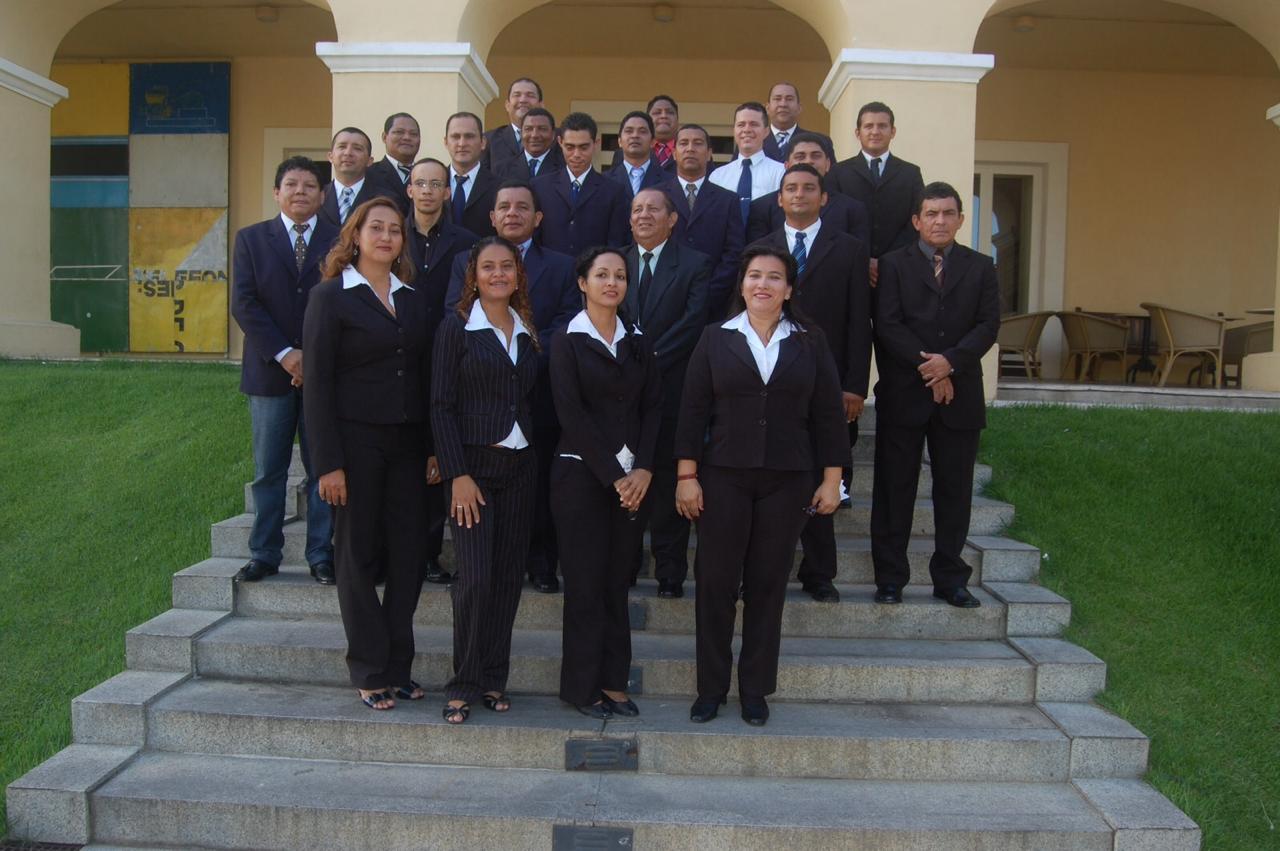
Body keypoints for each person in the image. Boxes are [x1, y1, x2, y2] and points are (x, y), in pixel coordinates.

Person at [674, 244, 849, 726]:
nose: (763, 285)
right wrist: (686, 476)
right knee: (714, 583)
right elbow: (690, 413)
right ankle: (710, 688)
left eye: (774, 277)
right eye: (754, 276)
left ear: (789, 289)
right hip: (723, 476)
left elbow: (829, 415)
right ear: (742, 284)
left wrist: (832, 478)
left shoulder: (811, 341)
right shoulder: (715, 338)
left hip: (787, 480)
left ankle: (754, 689)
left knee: (769, 585)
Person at [302, 197, 433, 711]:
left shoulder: (414, 299)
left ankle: (399, 665)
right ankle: (369, 666)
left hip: (407, 446)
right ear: (355, 236)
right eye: (375, 228)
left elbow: (422, 379)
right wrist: (326, 463)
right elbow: (317, 385)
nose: (385, 237)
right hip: (354, 445)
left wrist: (431, 449)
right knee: (355, 555)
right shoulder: (329, 298)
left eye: (395, 230)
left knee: (409, 557)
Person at [870, 182, 1000, 609]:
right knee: (894, 490)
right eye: (931, 213)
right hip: (904, 395)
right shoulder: (892, 265)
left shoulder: (982, 267)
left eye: (948, 213)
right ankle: (890, 579)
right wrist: (931, 367)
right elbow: (886, 324)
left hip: (959, 397)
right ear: (916, 220)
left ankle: (950, 579)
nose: (939, 221)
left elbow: (987, 325)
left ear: (961, 219)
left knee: (954, 491)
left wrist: (952, 363)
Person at [446, 182, 579, 594]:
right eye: (504, 206)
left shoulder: (561, 265)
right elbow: (458, 313)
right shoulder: (464, 262)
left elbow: (567, 321)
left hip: (539, 392)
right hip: (480, 398)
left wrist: (527, 355)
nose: (513, 213)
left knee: (536, 488)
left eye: (523, 207)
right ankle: (473, 565)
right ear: (492, 217)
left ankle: (539, 563)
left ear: (538, 219)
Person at [750, 163, 872, 603]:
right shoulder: (760, 249)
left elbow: (860, 319)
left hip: (829, 380)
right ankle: (761, 569)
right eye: (790, 189)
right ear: (778, 199)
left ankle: (820, 572)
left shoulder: (850, 249)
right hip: (770, 378)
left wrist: (855, 384)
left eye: (808, 188)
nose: (799, 195)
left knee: (825, 474)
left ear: (824, 198)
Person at [432, 236, 541, 724]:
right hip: (473, 472)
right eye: (488, 267)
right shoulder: (455, 329)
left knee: (506, 581)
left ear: (518, 275)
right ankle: (464, 681)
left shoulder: (526, 330)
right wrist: (457, 473)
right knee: (474, 579)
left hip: (519, 470)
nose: (498, 274)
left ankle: (494, 677)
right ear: (472, 275)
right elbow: (441, 405)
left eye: (507, 267)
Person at [550, 247, 662, 719]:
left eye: (619, 275)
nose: (612, 283)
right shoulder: (566, 340)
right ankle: (581, 688)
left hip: (633, 482)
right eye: (601, 274)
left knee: (617, 582)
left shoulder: (638, 340)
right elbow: (571, 417)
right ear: (583, 283)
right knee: (585, 584)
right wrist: (618, 476)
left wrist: (645, 470)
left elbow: (654, 409)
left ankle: (615, 682)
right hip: (581, 479)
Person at [231, 156, 337, 587]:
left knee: (322, 468)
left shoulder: (339, 240)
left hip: (323, 374)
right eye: (291, 184)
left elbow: (341, 301)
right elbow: (244, 303)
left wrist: (311, 356)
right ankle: (264, 552)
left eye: (309, 185)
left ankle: (320, 553)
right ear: (277, 192)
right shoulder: (251, 239)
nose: (299, 192)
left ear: (322, 195)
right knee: (269, 470)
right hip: (269, 372)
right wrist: (285, 354)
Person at [622, 188, 711, 598]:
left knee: (665, 485)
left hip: (673, 391)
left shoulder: (695, 265)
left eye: (652, 209)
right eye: (637, 209)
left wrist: (648, 358)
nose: (643, 215)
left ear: (672, 219)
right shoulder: (614, 263)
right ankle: (624, 564)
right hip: (621, 395)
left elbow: (694, 324)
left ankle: (670, 572)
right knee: (626, 479)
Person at [405, 157, 478, 585]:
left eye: (437, 183)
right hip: (402, 357)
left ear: (448, 191)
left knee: (439, 458)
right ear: (410, 189)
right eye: (421, 183)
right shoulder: (392, 235)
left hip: (449, 356)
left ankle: (432, 553)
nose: (429, 190)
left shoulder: (468, 242)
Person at [828, 102, 925, 284]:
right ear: (858, 133)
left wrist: (888, 261)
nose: (875, 131)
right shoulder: (838, 172)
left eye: (882, 126)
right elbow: (835, 220)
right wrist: (863, 259)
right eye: (868, 126)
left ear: (893, 131)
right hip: (850, 269)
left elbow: (916, 220)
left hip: (898, 269)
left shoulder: (910, 173)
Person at [662, 124, 744, 321]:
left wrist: (709, 291)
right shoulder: (655, 196)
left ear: (709, 154)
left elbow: (733, 253)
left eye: (698, 143)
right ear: (674, 153)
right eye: (684, 143)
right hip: (664, 299)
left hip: (714, 305)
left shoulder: (728, 200)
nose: (690, 148)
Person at [532, 112, 629, 255]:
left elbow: (616, 243)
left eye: (583, 147)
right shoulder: (540, 187)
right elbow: (534, 239)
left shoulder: (614, 191)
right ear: (560, 142)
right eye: (570, 147)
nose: (576, 154)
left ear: (596, 144)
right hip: (550, 273)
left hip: (594, 273)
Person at [747, 132, 869, 246]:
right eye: (800, 156)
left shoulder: (852, 210)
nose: (808, 161)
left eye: (815, 156)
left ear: (827, 164)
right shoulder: (762, 208)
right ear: (787, 165)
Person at [708, 102, 786, 233]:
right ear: (734, 131)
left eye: (754, 124)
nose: (747, 130)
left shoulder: (780, 172)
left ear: (766, 131)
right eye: (741, 125)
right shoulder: (717, 176)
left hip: (766, 245)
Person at [319, 127, 399, 227]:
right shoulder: (317, 197)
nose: (348, 153)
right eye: (342, 147)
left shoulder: (387, 199)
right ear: (330, 156)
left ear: (369, 161)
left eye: (357, 148)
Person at [445, 112, 499, 238]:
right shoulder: (435, 183)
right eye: (455, 136)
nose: (462, 143)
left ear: (483, 142)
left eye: (469, 136)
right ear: (446, 142)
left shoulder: (500, 188)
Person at [762, 82, 835, 164]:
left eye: (789, 99)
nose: (783, 104)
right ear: (767, 108)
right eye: (777, 99)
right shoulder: (756, 141)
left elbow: (832, 175)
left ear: (799, 108)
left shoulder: (821, 141)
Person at [604, 111, 667, 202]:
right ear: (620, 141)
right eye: (629, 131)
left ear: (653, 142)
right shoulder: (604, 181)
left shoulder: (669, 181)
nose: (635, 135)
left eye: (642, 131)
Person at [366, 112, 420, 218]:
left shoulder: (427, 174)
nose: (407, 137)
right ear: (384, 137)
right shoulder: (368, 174)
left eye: (413, 134)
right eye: (399, 132)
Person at [483, 77, 544, 172]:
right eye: (517, 95)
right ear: (507, 105)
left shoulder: (556, 139)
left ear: (541, 105)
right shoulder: (489, 140)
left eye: (530, 95)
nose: (523, 100)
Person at [609, 94, 679, 174]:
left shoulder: (688, 149)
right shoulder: (623, 152)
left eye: (670, 112)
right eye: (657, 112)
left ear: (677, 120)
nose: (663, 116)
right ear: (647, 120)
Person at [493, 107, 563, 182]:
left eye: (542, 129)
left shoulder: (564, 168)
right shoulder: (502, 170)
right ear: (521, 133)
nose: (534, 135)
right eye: (528, 129)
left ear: (553, 135)